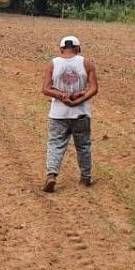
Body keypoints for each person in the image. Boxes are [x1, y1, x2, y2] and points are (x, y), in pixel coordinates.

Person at [41, 35, 99, 193]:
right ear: (78, 49)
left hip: (58, 114)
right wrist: (79, 100)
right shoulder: (86, 63)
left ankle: (51, 175)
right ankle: (86, 177)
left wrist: (61, 96)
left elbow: (45, 89)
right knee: (83, 146)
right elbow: (94, 88)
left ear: (61, 49)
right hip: (81, 114)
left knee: (55, 145)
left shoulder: (53, 64)